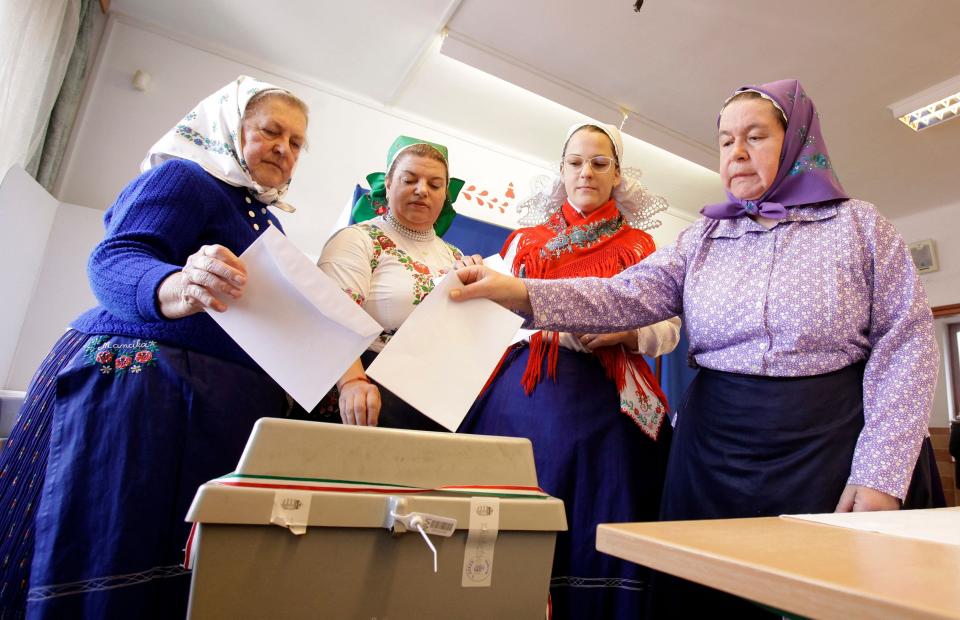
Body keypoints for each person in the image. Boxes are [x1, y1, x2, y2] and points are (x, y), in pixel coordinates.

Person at [451, 79, 944, 617]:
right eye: (726, 140)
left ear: (799, 143)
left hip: (826, 442)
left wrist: (880, 474)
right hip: (714, 448)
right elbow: (624, 295)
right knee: (706, 595)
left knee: (825, 591)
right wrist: (517, 291)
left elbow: (907, 344)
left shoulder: (859, 225)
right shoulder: (703, 236)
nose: (736, 152)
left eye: (755, 136)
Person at [0, 75, 309, 619]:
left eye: (296, 143)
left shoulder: (266, 219)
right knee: (94, 553)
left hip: (203, 411)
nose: (283, 149)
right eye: (271, 132)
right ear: (230, 127)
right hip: (135, 393)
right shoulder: (187, 178)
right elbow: (115, 259)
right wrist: (176, 286)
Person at [458, 122, 680, 619]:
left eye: (600, 163)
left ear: (617, 175)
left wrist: (627, 334)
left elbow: (669, 328)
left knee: (601, 499)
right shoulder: (523, 242)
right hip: (527, 388)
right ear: (561, 171)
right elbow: (495, 319)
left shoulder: (641, 246)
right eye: (576, 162)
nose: (587, 172)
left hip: (605, 396)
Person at [301, 135, 481, 430]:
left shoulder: (455, 256)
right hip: (362, 393)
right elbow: (330, 314)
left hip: (429, 400)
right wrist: (352, 383)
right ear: (388, 183)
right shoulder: (359, 239)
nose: (422, 191)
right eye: (410, 180)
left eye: (434, 185)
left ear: (446, 194)